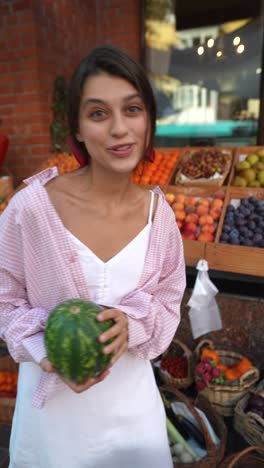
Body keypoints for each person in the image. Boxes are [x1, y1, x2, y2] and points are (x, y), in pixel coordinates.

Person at [0, 44, 186, 468]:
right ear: (78, 129)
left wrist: (133, 324)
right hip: (52, 427)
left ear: (149, 119)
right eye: (99, 113)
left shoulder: (161, 217)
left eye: (133, 109)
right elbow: (4, 302)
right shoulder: (30, 209)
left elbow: (168, 302)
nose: (120, 129)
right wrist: (44, 347)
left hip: (134, 419)